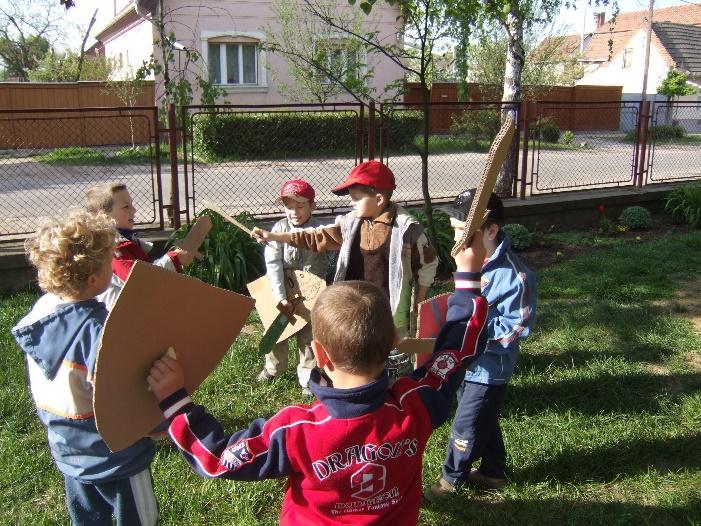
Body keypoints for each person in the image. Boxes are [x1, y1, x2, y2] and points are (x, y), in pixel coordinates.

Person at [146, 231, 489, 525]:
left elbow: (219, 459)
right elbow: (455, 353)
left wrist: (176, 402)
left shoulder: (297, 429)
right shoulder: (417, 404)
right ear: (394, 343)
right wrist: (468, 278)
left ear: (320, 354)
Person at [11, 210, 158, 526]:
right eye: (109, 262)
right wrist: (160, 423)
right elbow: (123, 396)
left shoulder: (42, 313)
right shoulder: (100, 334)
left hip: (70, 453)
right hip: (117, 458)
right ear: (94, 279)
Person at [251, 160, 438, 375]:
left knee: (392, 359)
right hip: (356, 304)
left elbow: (428, 263)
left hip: (391, 309)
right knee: (360, 352)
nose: (352, 203)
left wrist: (420, 302)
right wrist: (274, 236)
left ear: (378, 199)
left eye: (356, 199)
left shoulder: (407, 229)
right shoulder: (351, 222)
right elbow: (316, 237)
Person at [424, 189, 537, 501]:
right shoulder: (473, 266)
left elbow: (517, 327)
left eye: (463, 232)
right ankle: (493, 471)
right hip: (467, 364)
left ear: (490, 230)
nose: (457, 241)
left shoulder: (516, 277)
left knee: (466, 425)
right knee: (481, 417)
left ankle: (449, 480)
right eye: (454, 231)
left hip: (489, 370)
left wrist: (474, 332)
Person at [256, 179, 329, 396]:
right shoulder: (278, 229)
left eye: (300, 206)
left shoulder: (320, 230)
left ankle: (307, 377)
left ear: (312, 206)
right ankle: (273, 368)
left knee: (308, 334)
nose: (294, 212)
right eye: (289, 207)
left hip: (310, 294)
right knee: (276, 329)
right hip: (282, 289)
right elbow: (273, 264)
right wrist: (280, 296)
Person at [85, 182, 194, 308]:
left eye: (132, 205)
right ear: (104, 216)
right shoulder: (111, 250)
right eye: (126, 207)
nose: (134, 210)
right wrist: (174, 259)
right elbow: (140, 280)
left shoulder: (123, 242)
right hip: (123, 318)